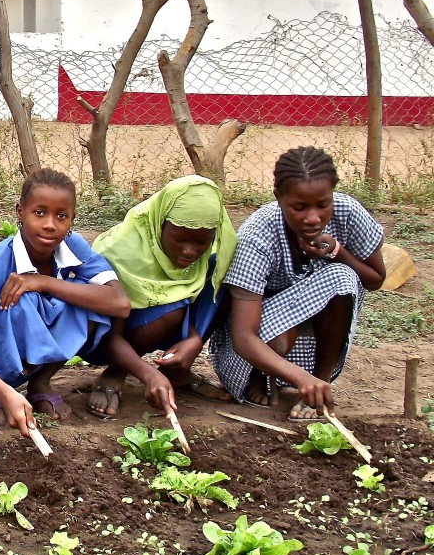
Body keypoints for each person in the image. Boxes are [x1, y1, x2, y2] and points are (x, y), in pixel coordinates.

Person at [0, 168, 131, 433]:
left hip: (36, 328)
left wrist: (44, 282)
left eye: (61, 216)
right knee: (19, 300)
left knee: (86, 299)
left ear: (72, 219)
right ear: (20, 212)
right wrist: (3, 392)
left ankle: (40, 382)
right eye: (39, 212)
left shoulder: (72, 245)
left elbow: (119, 303)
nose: (50, 224)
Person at [210, 147, 385, 420]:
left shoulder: (348, 213)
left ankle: (320, 381)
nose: (313, 218)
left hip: (308, 338)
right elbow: (243, 336)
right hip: (250, 346)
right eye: (299, 207)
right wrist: (299, 378)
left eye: (322, 205)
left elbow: (375, 280)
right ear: (279, 198)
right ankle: (265, 375)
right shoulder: (258, 234)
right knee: (280, 336)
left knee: (342, 277)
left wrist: (338, 252)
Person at [86, 175, 237, 418]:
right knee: (173, 309)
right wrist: (148, 373)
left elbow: (194, 296)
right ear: (159, 224)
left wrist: (195, 339)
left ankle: (177, 371)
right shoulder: (120, 253)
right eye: (180, 239)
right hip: (107, 337)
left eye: (201, 242)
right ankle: (116, 372)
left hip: (164, 322)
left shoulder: (203, 255)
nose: (190, 251)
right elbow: (111, 334)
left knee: (227, 274)